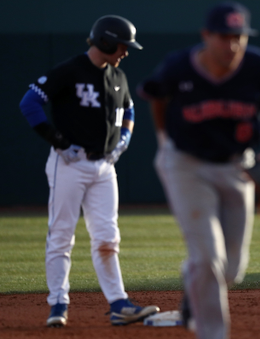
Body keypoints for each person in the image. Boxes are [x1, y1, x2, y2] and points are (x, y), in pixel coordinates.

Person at [137, 2, 260, 339]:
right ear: (206, 36)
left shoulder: (258, 65)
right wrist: (164, 141)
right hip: (187, 165)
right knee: (209, 258)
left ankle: (193, 278)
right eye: (224, 36)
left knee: (232, 269)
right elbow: (156, 96)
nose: (232, 44)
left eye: (238, 36)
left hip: (237, 166)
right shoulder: (180, 66)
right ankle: (212, 332)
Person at [19, 15, 160, 327]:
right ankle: (58, 303)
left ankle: (119, 304)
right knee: (61, 234)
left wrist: (123, 139)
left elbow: (130, 110)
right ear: (106, 41)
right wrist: (57, 141)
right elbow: (29, 102)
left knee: (108, 237)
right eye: (122, 45)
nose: (125, 51)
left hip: (103, 166)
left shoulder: (118, 76)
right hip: (69, 162)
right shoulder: (70, 71)